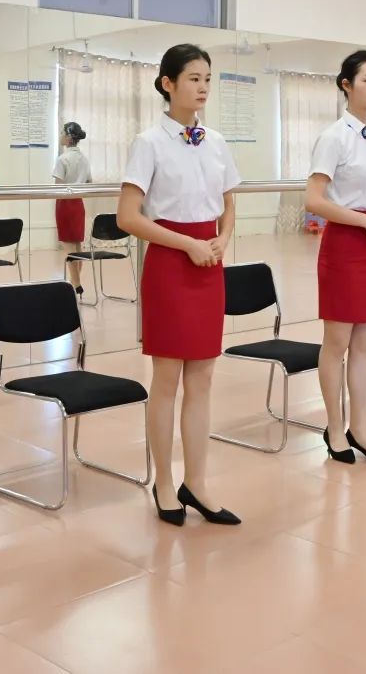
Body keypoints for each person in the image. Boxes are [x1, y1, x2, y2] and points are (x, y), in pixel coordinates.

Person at [118, 44, 242, 527]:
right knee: (167, 380)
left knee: (203, 379)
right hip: (170, 264)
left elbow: (228, 203)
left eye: (207, 78)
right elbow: (128, 217)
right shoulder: (148, 142)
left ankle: (198, 482)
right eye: (193, 78)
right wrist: (186, 244)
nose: (203, 87)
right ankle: (165, 483)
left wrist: (221, 240)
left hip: (208, 262)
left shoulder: (217, 141)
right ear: (168, 84)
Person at [305, 50, 366, 466]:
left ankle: (360, 428)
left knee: (365, 344)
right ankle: (334, 428)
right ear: (346, 85)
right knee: (338, 342)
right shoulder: (334, 136)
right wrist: (365, 222)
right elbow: (314, 199)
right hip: (346, 243)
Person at [53, 121, 91, 295]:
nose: (60, 135)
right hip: (78, 203)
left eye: (62, 133)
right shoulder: (84, 159)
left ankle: (75, 283)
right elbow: (89, 182)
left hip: (65, 203)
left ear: (68, 137)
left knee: (69, 246)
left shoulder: (63, 159)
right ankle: (76, 280)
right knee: (77, 244)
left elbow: (58, 185)